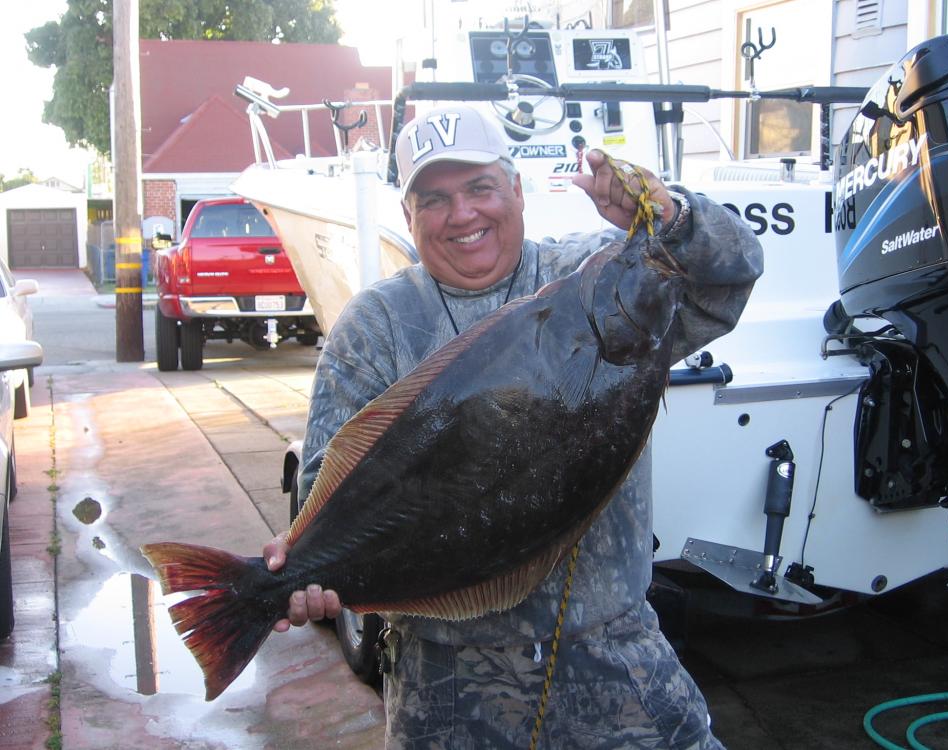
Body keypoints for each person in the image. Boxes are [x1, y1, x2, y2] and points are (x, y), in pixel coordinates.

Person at [263, 104, 763, 748]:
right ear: (408, 215)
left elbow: (731, 277)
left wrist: (673, 217)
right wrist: (303, 564)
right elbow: (325, 485)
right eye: (435, 198)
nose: (463, 214)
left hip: (614, 654)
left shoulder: (590, 273)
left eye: (480, 188)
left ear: (517, 189)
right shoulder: (376, 326)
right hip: (444, 683)